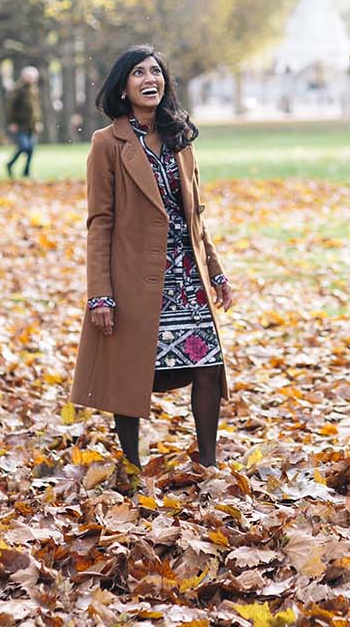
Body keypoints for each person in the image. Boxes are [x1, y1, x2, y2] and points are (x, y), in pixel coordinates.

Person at [69, 46, 236, 467]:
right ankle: (132, 467)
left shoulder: (180, 137)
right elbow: (99, 223)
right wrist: (100, 295)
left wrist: (215, 271)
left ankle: (209, 464)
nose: (150, 79)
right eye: (139, 72)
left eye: (156, 71)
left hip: (186, 277)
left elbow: (195, 214)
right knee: (130, 374)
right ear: (123, 87)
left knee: (208, 367)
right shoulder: (107, 144)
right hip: (135, 280)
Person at [5, 67, 40, 178]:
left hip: (32, 124)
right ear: (24, 77)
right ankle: (10, 164)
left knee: (31, 149)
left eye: (33, 77)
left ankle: (26, 171)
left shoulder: (34, 90)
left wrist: (38, 122)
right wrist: (12, 122)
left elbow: (36, 108)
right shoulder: (18, 90)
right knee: (24, 147)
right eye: (29, 77)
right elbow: (11, 107)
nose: (32, 79)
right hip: (20, 124)